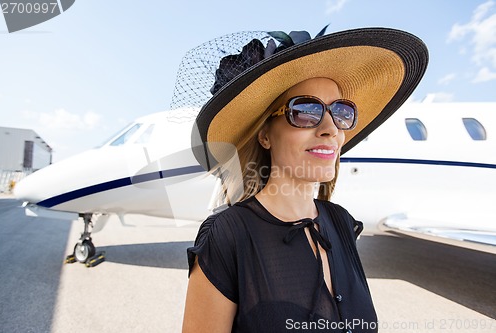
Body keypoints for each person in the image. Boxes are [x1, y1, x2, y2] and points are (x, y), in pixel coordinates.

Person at [180, 27, 428, 333]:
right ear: (265, 134)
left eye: (341, 111)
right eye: (306, 111)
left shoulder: (342, 223)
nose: (331, 129)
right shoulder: (227, 235)